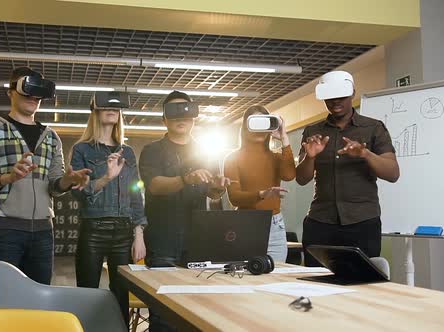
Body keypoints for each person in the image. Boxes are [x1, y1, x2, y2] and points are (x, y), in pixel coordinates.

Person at [0, 67, 90, 284]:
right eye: (27, 90)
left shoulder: (51, 137)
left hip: (43, 232)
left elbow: (54, 187)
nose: (33, 97)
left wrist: (67, 182)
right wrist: (7, 178)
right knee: (1, 297)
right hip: (5, 231)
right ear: (11, 92)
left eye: (38, 93)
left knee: (39, 298)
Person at [139, 91, 230, 332]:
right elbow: (155, 185)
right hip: (163, 241)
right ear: (164, 119)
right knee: (163, 312)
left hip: (197, 241)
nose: (182, 117)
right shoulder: (152, 150)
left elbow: (211, 193)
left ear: (194, 117)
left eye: (186, 111)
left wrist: (218, 189)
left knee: (196, 307)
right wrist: (185, 178)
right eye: (174, 111)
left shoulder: (206, 152)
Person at [296, 70, 400, 266]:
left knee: (362, 283)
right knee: (317, 284)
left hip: (362, 223)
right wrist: (310, 158)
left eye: (341, 95)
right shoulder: (312, 131)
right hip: (320, 223)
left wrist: (365, 154)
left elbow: (393, 173)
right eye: (330, 96)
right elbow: (301, 179)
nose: (335, 101)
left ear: (352, 92)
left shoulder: (374, 128)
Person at [69, 91, 146, 325]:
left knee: (120, 295)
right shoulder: (82, 150)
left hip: (124, 231)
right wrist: (106, 179)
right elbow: (77, 191)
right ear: (95, 110)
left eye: (116, 107)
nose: (112, 109)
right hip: (93, 229)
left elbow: (136, 194)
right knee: (87, 293)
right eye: (105, 106)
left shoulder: (128, 152)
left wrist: (139, 233)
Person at [224, 105, 296, 262]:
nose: (258, 130)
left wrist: (284, 138)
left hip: (274, 226)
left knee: (276, 279)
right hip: (245, 224)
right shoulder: (232, 158)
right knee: (245, 279)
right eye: (254, 124)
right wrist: (261, 194)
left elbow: (289, 175)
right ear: (245, 127)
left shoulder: (276, 158)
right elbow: (234, 197)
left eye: (263, 124)